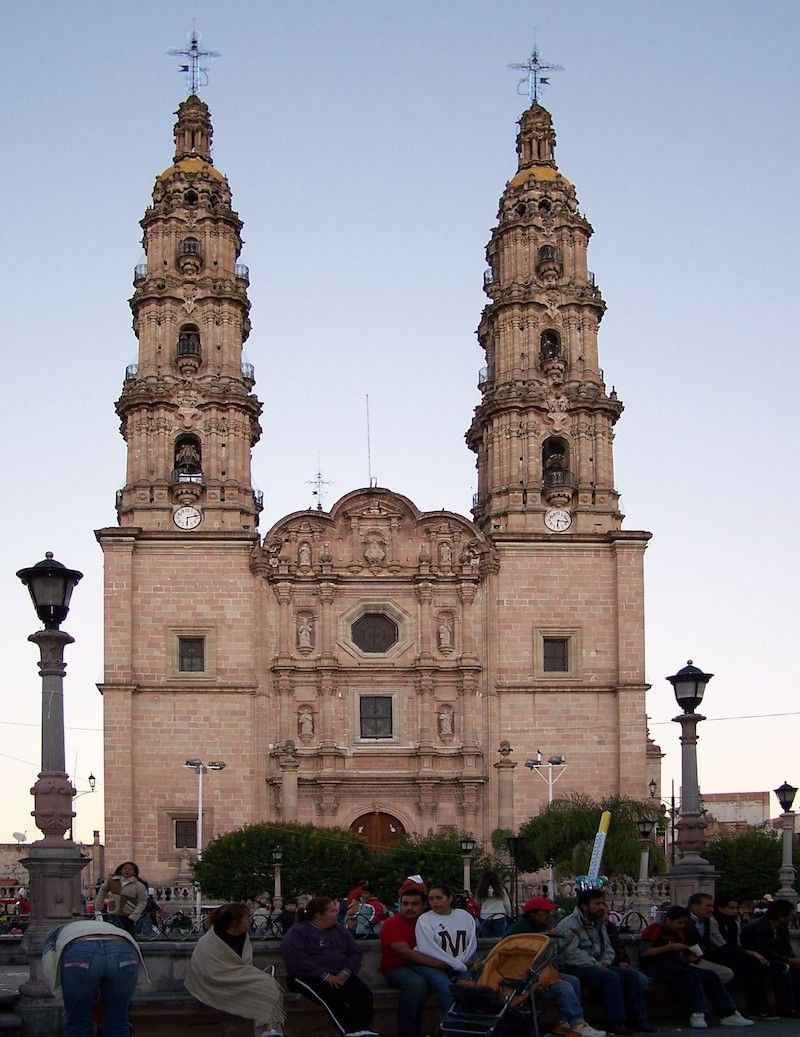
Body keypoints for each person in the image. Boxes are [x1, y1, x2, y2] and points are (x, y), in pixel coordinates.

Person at [554, 889, 653, 1036]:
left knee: (630, 976)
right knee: (610, 977)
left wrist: (605, 962)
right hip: (574, 966)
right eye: (597, 903)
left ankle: (638, 1018)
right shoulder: (569, 924)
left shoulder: (599, 923)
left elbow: (607, 947)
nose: (602, 907)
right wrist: (597, 965)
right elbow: (570, 954)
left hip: (597, 965)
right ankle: (615, 1021)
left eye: (602, 903)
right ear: (584, 906)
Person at [504, 896, 606, 1037]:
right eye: (545, 912)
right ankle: (577, 1022)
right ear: (533, 914)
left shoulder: (539, 926)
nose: (549, 915)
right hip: (523, 977)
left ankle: (564, 1021)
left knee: (573, 980)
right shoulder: (523, 930)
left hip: (537, 972)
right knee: (564, 986)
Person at [640, 905, 753, 1029]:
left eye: (684, 923)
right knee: (689, 975)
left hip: (676, 964)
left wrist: (688, 958)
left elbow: (679, 956)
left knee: (710, 975)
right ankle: (697, 1012)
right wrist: (669, 947)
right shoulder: (655, 929)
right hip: (656, 966)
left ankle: (729, 1013)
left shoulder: (679, 933)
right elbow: (644, 952)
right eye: (679, 923)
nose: (682, 926)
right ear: (668, 920)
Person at [282, 895, 378, 1037]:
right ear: (319, 915)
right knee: (331, 999)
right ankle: (349, 1031)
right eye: (332, 911)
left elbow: (354, 953)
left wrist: (346, 972)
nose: (336, 914)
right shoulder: (298, 931)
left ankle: (363, 1029)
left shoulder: (340, 930)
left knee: (363, 994)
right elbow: (295, 958)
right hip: (307, 976)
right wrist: (324, 975)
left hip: (340, 974)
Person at [185, 902, 284, 1037]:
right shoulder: (209, 942)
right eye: (247, 917)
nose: (251, 920)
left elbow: (243, 965)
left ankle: (268, 1029)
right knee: (265, 985)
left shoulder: (243, 937)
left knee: (266, 984)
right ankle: (268, 1028)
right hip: (212, 984)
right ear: (235, 922)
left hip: (238, 978)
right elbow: (208, 970)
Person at [42, 916, 150, 1037]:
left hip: (80, 950)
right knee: (118, 1020)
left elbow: (49, 968)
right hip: (123, 945)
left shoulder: (52, 936)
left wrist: (65, 1000)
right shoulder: (105, 926)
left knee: (78, 1023)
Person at [380, 885, 455, 1037]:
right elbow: (406, 952)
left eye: (415, 904)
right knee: (417, 984)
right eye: (405, 904)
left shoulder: (431, 922)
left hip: (427, 968)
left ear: (424, 905)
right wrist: (440, 965)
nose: (409, 908)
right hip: (398, 969)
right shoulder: (391, 924)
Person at [413, 883, 478, 1014]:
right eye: (431, 899)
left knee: (469, 990)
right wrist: (453, 964)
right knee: (446, 990)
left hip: (460, 963)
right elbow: (427, 948)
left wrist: (461, 961)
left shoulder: (464, 916)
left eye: (439, 898)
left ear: (449, 898)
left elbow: (471, 943)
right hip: (433, 965)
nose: (435, 902)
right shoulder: (425, 920)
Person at [711, 894, 776, 1018]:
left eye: (736, 908)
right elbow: (720, 944)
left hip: (733, 954)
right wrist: (748, 953)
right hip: (719, 955)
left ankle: (759, 1006)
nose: (734, 911)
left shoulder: (734, 923)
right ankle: (756, 1007)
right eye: (731, 908)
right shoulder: (713, 922)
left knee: (754, 964)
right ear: (720, 908)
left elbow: (737, 943)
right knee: (751, 964)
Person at [741, 899, 800, 1017]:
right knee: (784, 969)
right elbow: (763, 951)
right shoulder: (757, 927)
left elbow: (787, 949)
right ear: (781, 916)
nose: (792, 918)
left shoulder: (782, 929)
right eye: (790, 915)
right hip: (756, 960)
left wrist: (795, 960)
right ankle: (785, 1007)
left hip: (772, 959)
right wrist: (789, 960)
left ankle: (794, 1006)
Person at [94, 861, 148, 935]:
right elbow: (103, 891)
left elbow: (142, 901)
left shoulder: (139, 886)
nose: (127, 871)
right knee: (116, 933)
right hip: (113, 911)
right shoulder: (112, 880)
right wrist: (99, 905)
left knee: (127, 934)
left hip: (128, 914)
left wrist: (134, 915)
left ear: (135, 872)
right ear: (121, 870)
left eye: (130, 869)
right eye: (125, 868)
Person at [474, 871, 511, 938]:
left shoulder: (481, 889)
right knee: (500, 939)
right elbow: (507, 903)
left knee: (486, 940)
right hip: (499, 915)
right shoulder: (500, 889)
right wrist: (509, 913)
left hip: (485, 916)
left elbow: (477, 902)